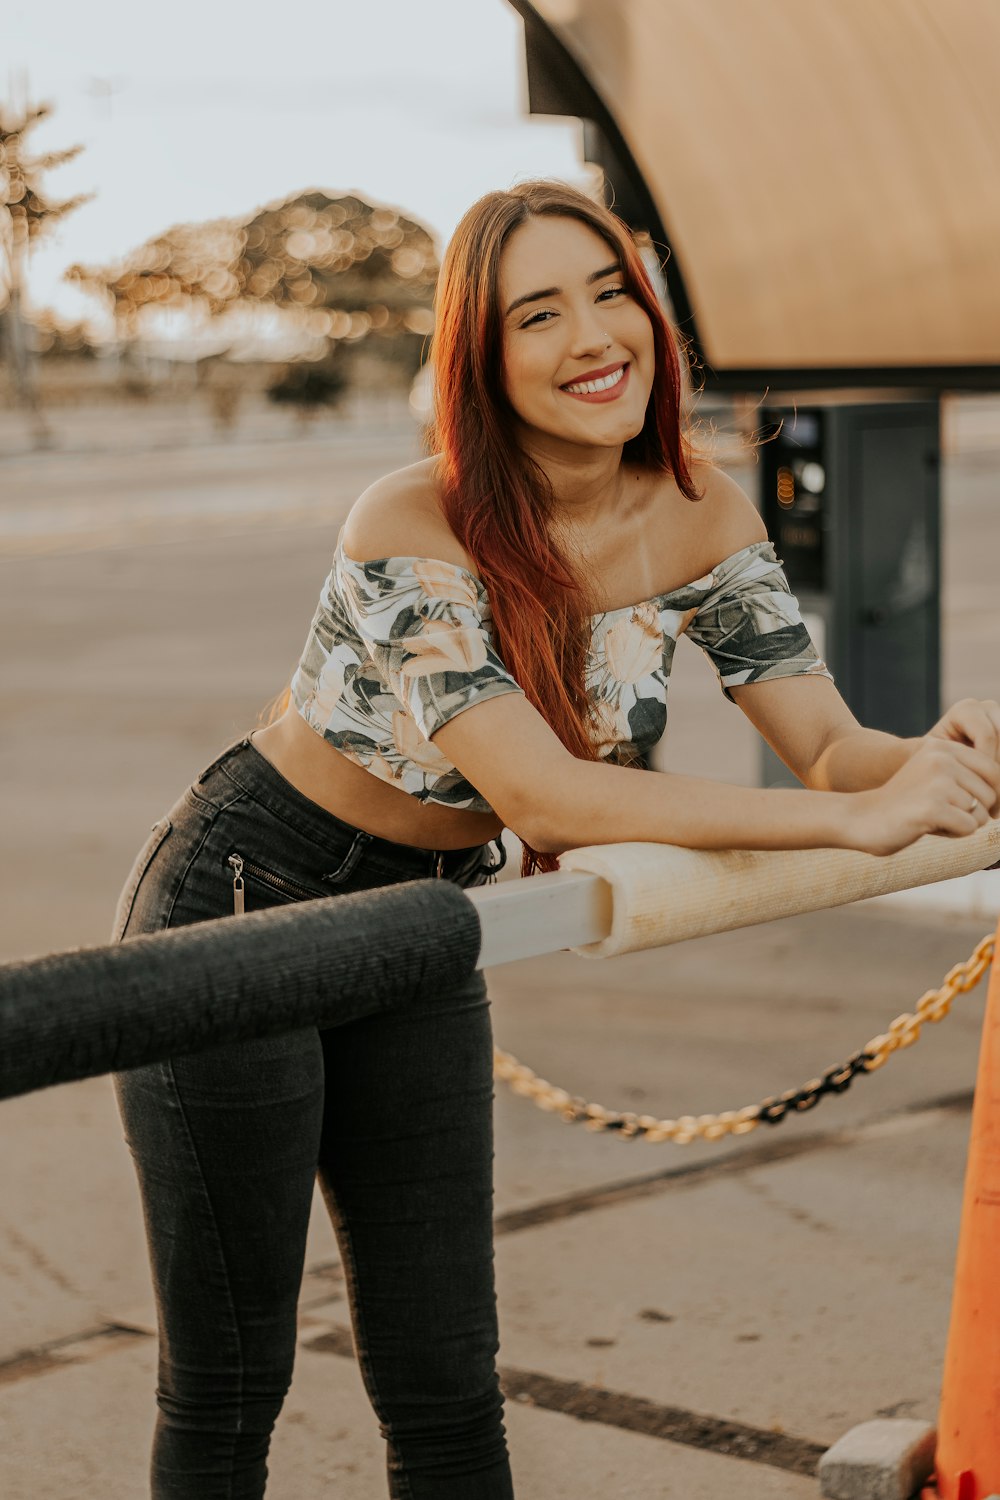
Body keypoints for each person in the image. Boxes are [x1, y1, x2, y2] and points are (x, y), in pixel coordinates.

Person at [113, 178, 1000, 1500]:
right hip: (248, 897)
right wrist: (856, 820)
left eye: (609, 293)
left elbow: (829, 743)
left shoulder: (706, 511)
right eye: (539, 312)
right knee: (233, 1381)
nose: (593, 337)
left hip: (427, 924)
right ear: (483, 353)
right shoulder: (409, 521)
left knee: (447, 1383)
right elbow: (548, 797)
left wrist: (940, 760)